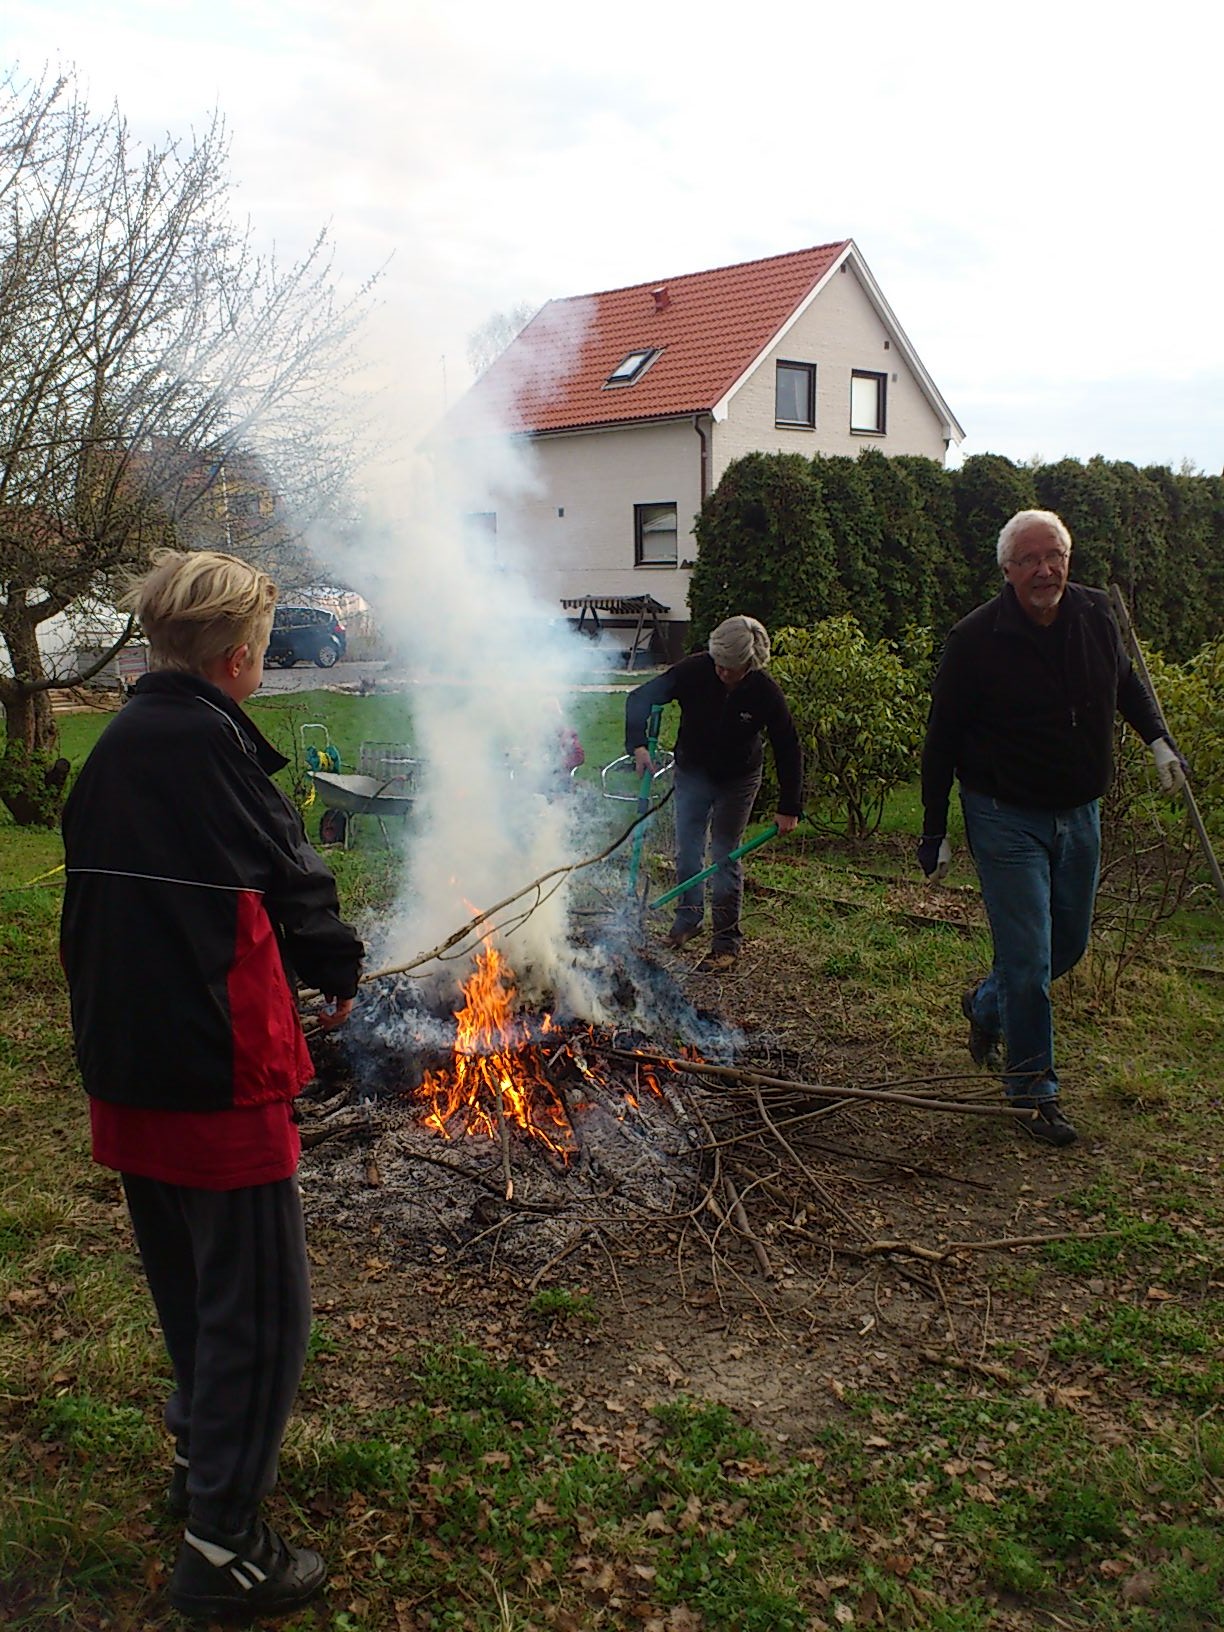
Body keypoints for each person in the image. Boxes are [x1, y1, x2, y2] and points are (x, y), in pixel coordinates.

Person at [59, 550, 364, 1619]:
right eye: (268, 648)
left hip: (125, 1062)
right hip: (213, 1066)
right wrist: (340, 971)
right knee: (265, 1312)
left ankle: (203, 1460)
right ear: (241, 656)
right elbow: (294, 882)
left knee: (194, 1292)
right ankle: (225, 1544)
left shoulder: (111, 747)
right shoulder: (216, 750)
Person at [917, 510, 1184, 1147]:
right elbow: (942, 739)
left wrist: (1158, 741)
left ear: (1068, 559)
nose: (1046, 570)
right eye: (1031, 559)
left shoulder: (1095, 614)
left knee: (1067, 947)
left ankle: (984, 1005)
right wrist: (933, 829)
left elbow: (1126, 682)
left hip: (1080, 811)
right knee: (1030, 960)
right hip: (1003, 814)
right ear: (1008, 571)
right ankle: (1033, 1094)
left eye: (1055, 555)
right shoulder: (975, 639)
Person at [625, 614, 803, 972]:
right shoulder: (694, 670)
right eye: (719, 664)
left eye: (731, 668)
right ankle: (688, 920)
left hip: (738, 779)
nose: (722, 672)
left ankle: (726, 942)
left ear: (750, 665)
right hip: (691, 772)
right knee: (687, 849)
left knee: (724, 856)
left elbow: (788, 745)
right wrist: (638, 746)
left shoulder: (764, 692)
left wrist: (790, 805)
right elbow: (638, 699)